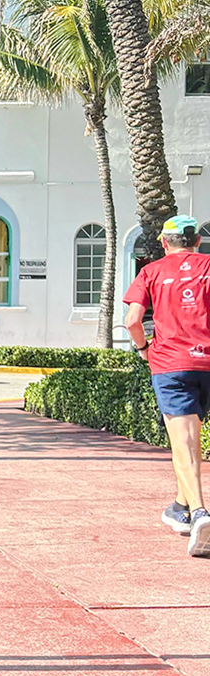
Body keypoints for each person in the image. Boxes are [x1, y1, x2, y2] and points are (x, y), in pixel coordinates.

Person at [123, 214, 210, 556]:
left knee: (184, 441)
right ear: (197, 242)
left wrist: (143, 348)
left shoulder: (151, 272)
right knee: (189, 440)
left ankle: (200, 513)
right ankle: (181, 507)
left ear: (163, 242)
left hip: (171, 364)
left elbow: (132, 321)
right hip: (207, 362)